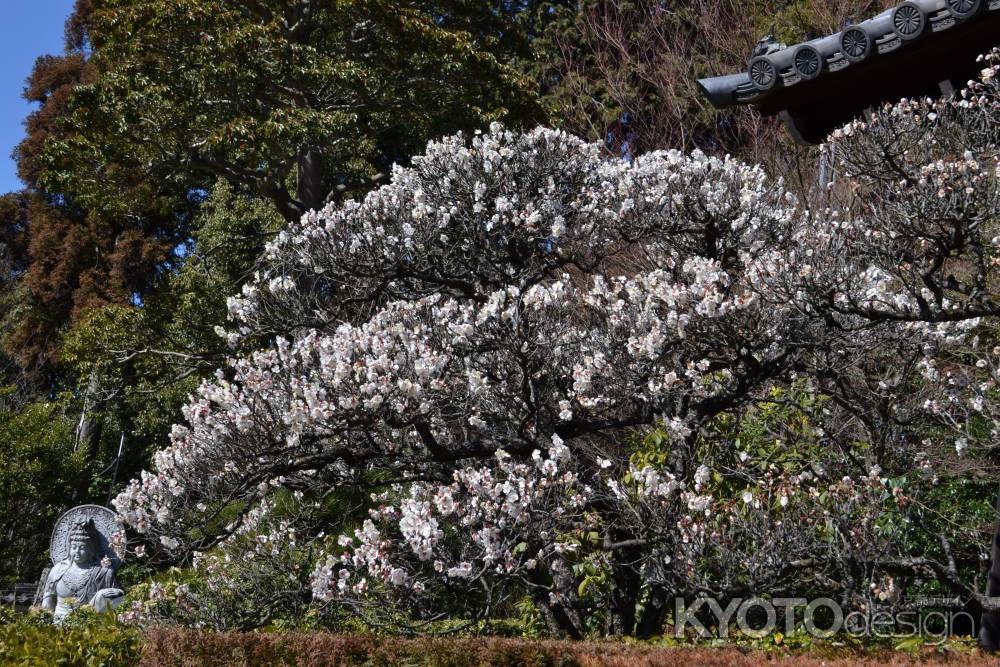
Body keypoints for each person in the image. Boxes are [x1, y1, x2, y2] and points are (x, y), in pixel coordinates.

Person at [39, 518, 124, 622]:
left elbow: (119, 599)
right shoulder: (57, 570)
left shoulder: (103, 573)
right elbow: (47, 605)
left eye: (82, 548)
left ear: (91, 549)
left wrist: (101, 596)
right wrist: (44, 622)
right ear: (68, 547)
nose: (77, 551)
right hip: (57, 625)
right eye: (74, 547)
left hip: (90, 625)